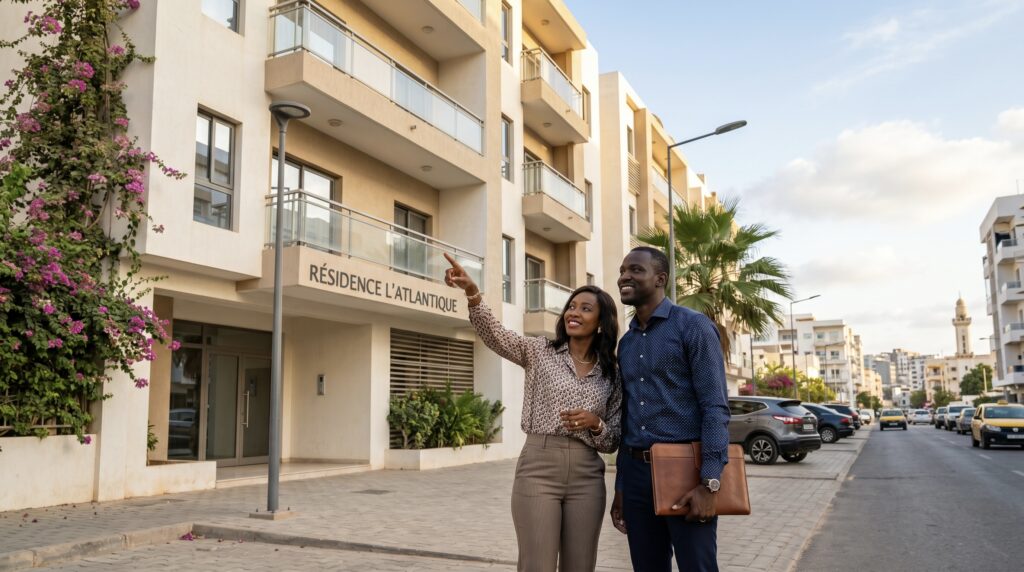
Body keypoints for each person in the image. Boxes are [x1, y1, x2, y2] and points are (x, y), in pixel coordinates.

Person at [443, 253, 622, 572]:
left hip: (587, 475)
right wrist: (473, 294)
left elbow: (613, 439)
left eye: (585, 308)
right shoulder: (541, 352)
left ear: (602, 323)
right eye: (571, 306)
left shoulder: (612, 373)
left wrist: (595, 424)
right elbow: (496, 335)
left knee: (581, 566)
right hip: (539, 468)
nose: (573, 312)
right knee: (536, 565)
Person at [610, 246, 731, 572]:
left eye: (635, 270)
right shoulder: (627, 342)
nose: (624, 276)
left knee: (698, 567)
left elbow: (715, 408)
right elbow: (628, 417)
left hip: (685, 472)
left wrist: (709, 483)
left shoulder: (693, 328)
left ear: (660, 278)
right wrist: (621, 486)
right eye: (623, 270)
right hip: (636, 474)